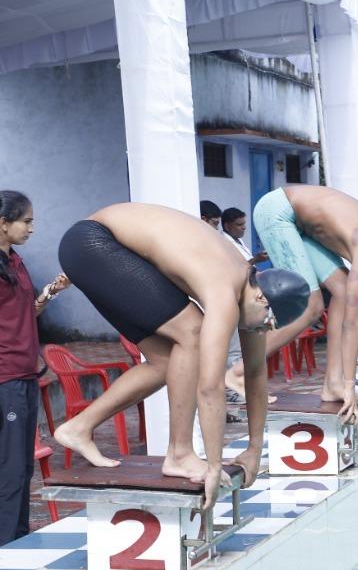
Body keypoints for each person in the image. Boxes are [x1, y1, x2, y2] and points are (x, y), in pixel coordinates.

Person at [55, 203, 311, 507]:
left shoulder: (251, 293)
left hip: (98, 248)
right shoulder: (224, 289)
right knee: (192, 331)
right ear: (261, 298)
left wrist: (255, 449)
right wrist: (214, 465)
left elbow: (255, 373)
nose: (261, 332)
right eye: (266, 324)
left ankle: (78, 428)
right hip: (94, 243)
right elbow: (210, 385)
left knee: (168, 361)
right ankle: (179, 453)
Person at [227, 185, 358, 422]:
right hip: (278, 212)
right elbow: (352, 323)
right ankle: (238, 372)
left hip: (300, 224)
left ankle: (332, 383)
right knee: (310, 306)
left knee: (344, 292)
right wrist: (350, 387)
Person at [0, 191, 70, 550]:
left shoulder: (14, 261)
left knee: (22, 468)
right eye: (26, 221)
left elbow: (22, 314)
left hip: (24, 375)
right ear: (3, 224)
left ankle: (17, 546)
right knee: (7, 472)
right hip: (0, 380)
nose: (32, 228)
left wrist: (50, 294)